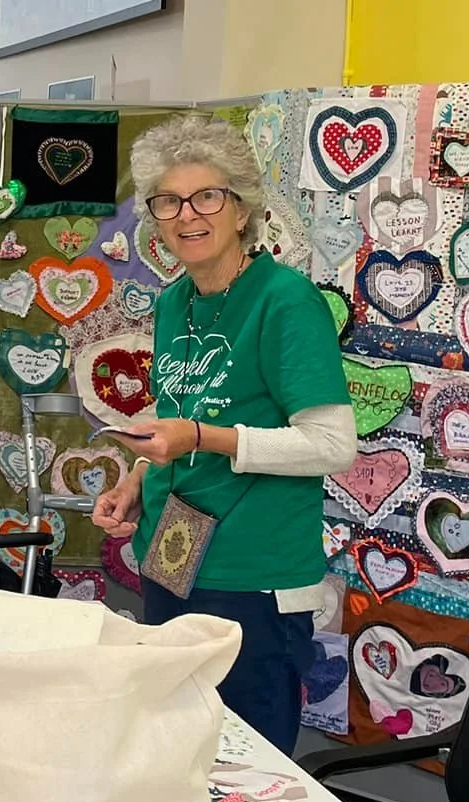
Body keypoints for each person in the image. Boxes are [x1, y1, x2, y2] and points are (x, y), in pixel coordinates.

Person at [91, 113, 357, 754]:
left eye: (207, 196)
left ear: (242, 209)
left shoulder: (286, 302)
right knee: (170, 748)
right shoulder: (174, 300)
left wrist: (206, 439)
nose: (188, 215)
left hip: (254, 573)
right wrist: (136, 479)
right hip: (171, 555)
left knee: (245, 762)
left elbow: (332, 446)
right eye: (168, 201)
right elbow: (175, 414)